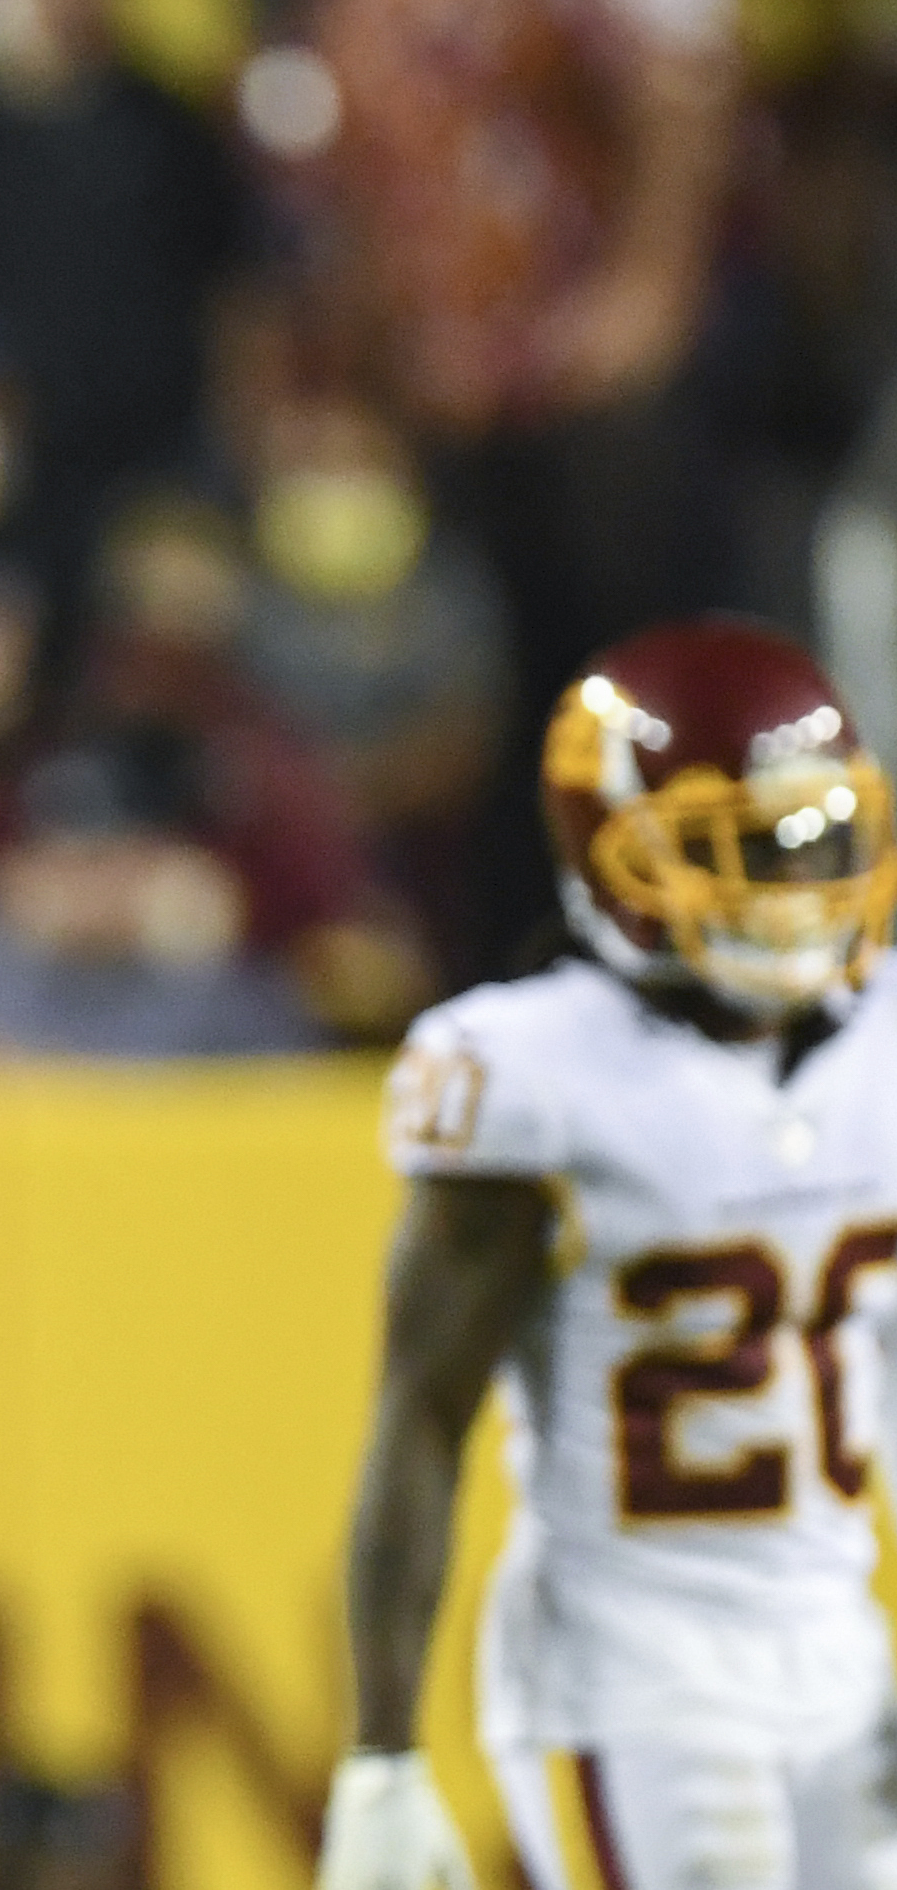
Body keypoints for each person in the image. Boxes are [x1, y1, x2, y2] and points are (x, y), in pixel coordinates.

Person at [319, 618, 897, 1889]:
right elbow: (421, 1418)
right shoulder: (531, 1068)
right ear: (614, 857)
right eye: (738, 854)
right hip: (634, 1677)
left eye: (813, 846)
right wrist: (381, 1752)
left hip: (844, 1651)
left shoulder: (884, 1047)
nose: (789, 894)